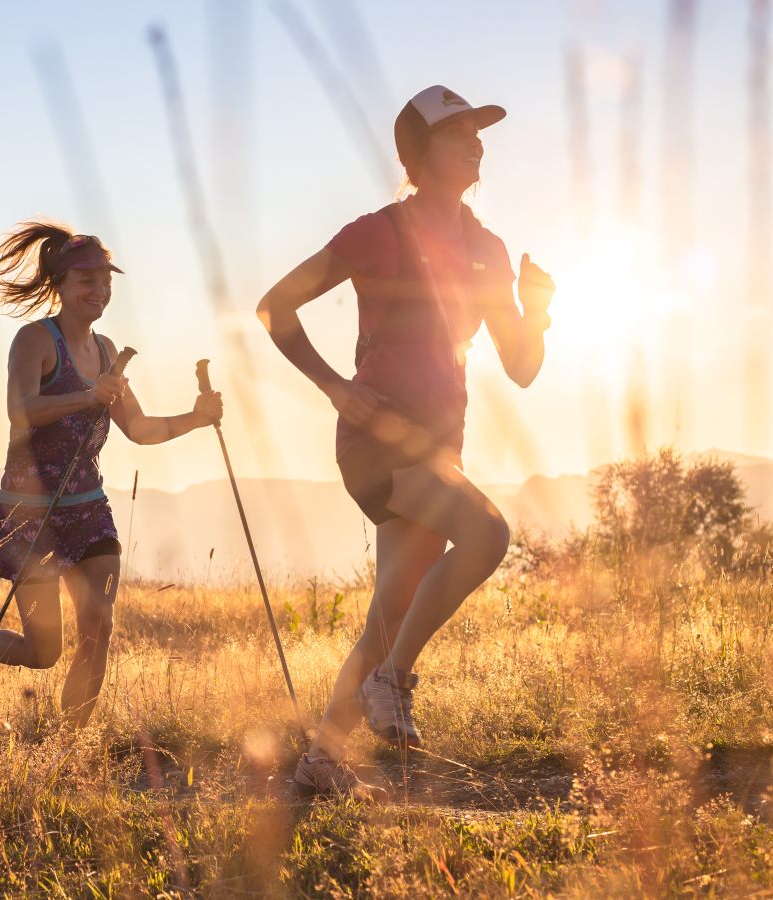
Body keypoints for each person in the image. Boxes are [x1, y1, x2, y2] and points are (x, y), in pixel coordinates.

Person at [257, 86, 556, 800]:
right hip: (377, 443)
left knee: (387, 614)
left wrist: (537, 313)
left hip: (440, 450)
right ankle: (393, 682)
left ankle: (321, 763)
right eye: (458, 134)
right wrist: (334, 385)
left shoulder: (487, 248)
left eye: (478, 133)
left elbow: (519, 368)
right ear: (417, 156)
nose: (476, 143)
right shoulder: (377, 232)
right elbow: (275, 306)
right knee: (487, 533)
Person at [0, 223, 224, 729]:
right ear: (60, 283)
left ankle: (66, 751)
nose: (99, 290)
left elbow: (140, 429)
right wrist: (86, 396)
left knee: (98, 626)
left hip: (88, 508)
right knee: (43, 651)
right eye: (87, 280)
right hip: (30, 511)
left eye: (106, 280)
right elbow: (20, 411)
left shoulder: (106, 351)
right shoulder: (34, 339)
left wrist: (195, 417)